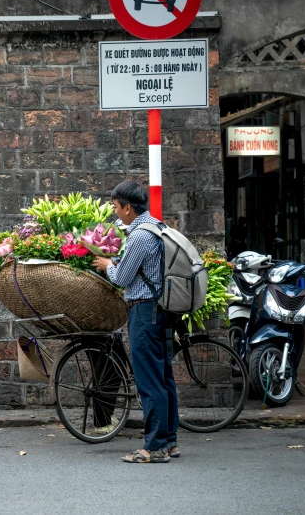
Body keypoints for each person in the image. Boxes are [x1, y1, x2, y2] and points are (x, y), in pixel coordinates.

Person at [92, 181, 179, 463]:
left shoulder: (140, 235)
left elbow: (123, 278)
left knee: (149, 380)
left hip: (144, 312)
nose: (116, 214)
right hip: (162, 309)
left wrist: (107, 266)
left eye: (117, 208)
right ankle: (169, 442)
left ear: (128, 207)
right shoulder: (157, 226)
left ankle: (153, 448)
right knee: (163, 377)